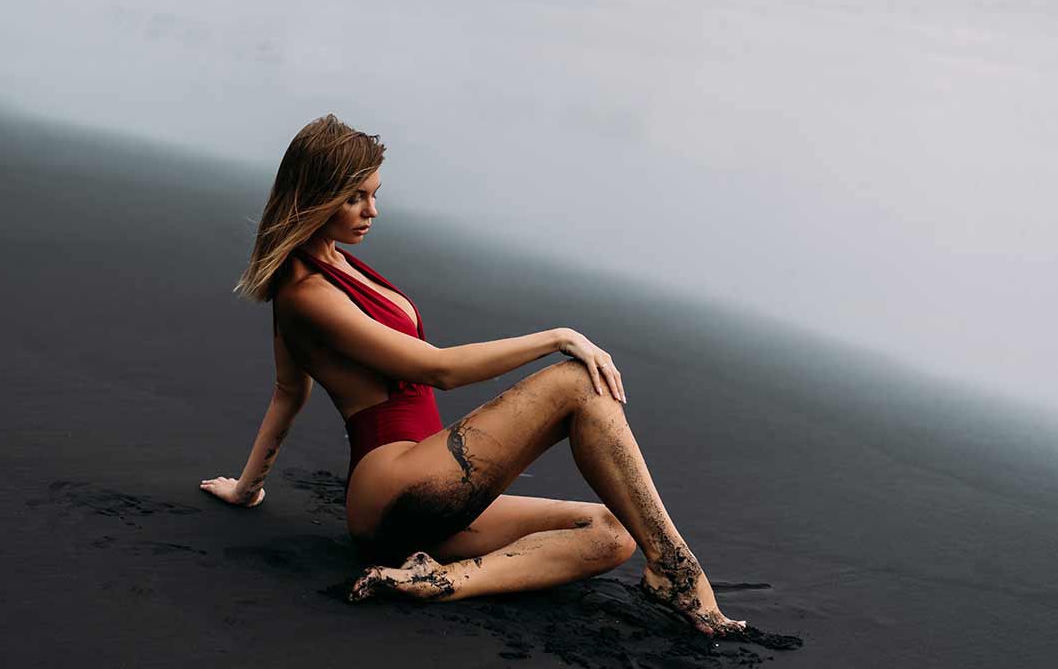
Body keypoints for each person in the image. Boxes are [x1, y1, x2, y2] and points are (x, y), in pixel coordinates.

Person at [199, 114, 746, 637]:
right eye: (354, 197)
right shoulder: (306, 295)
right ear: (315, 197)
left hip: (432, 488)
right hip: (394, 492)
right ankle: (679, 572)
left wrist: (248, 489)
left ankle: (440, 580)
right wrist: (557, 337)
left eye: (374, 194)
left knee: (612, 532)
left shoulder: (334, 265)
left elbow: (287, 393)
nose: (371, 211)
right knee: (576, 382)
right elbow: (438, 370)